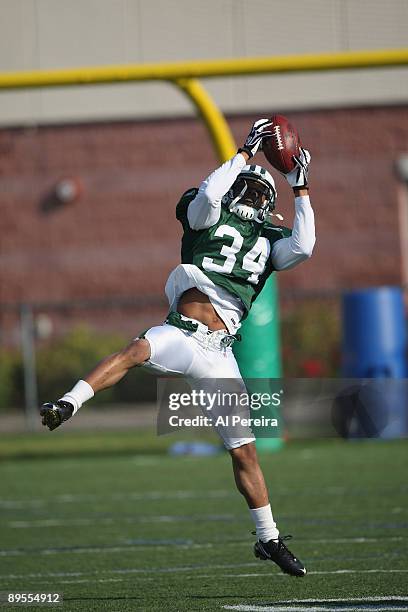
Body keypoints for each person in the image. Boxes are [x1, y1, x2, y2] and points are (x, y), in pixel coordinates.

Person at [40, 119, 315, 577]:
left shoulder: (268, 242)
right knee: (137, 349)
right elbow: (209, 195)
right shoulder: (207, 211)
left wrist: (300, 186)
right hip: (183, 332)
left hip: (220, 353)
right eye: (247, 188)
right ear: (235, 184)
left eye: (261, 193)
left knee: (244, 452)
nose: (253, 197)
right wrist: (245, 153)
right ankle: (70, 403)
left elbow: (304, 246)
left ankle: (268, 539)